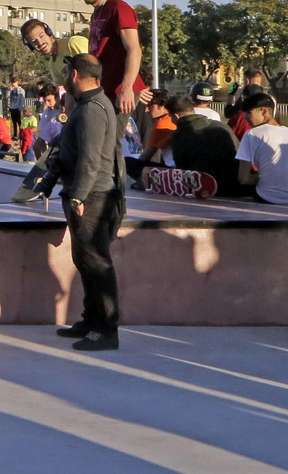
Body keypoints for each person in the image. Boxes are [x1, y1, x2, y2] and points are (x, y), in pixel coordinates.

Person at [49, 54, 124, 352]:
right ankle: (91, 320)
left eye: (69, 71)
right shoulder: (87, 105)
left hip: (93, 197)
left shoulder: (93, 108)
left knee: (97, 263)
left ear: (77, 74)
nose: (66, 75)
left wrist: (78, 195)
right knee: (85, 261)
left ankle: (106, 329)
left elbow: (91, 160)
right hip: (87, 194)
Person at [77, 0, 145, 114]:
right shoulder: (97, 12)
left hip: (119, 91)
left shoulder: (119, 8)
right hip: (102, 89)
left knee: (111, 138)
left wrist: (126, 88)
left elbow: (134, 50)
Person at [235, 92, 288, 207]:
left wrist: (264, 178)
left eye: (249, 112)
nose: (244, 117)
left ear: (264, 112)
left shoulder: (251, 134)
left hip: (270, 198)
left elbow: (243, 179)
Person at [168, 93, 247, 197]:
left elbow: (182, 168)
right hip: (234, 186)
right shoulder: (221, 126)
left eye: (170, 117)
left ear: (176, 116)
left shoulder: (178, 135)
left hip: (204, 188)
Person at [19, 18, 90, 91]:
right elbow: (66, 90)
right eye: (34, 41)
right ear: (30, 46)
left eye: (41, 36)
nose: (40, 43)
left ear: (49, 33)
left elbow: (94, 68)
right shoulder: (52, 65)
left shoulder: (72, 43)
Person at [127, 91, 177, 182]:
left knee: (128, 162)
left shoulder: (162, 124)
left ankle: (144, 182)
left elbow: (145, 156)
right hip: (184, 168)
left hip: (173, 171)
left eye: (150, 106)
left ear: (163, 107)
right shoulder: (174, 119)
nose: (146, 110)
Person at [6, 77, 25, 142]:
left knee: (19, 122)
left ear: (17, 82)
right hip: (12, 107)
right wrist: (9, 90)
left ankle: (21, 135)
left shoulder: (21, 90)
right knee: (14, 122)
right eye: (12, 83)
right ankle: (15, 135)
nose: (13, 84)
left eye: (14, 82)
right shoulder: (12, 90)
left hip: (17, 108)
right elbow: (6, 97)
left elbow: (22, 99)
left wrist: (20, 108)